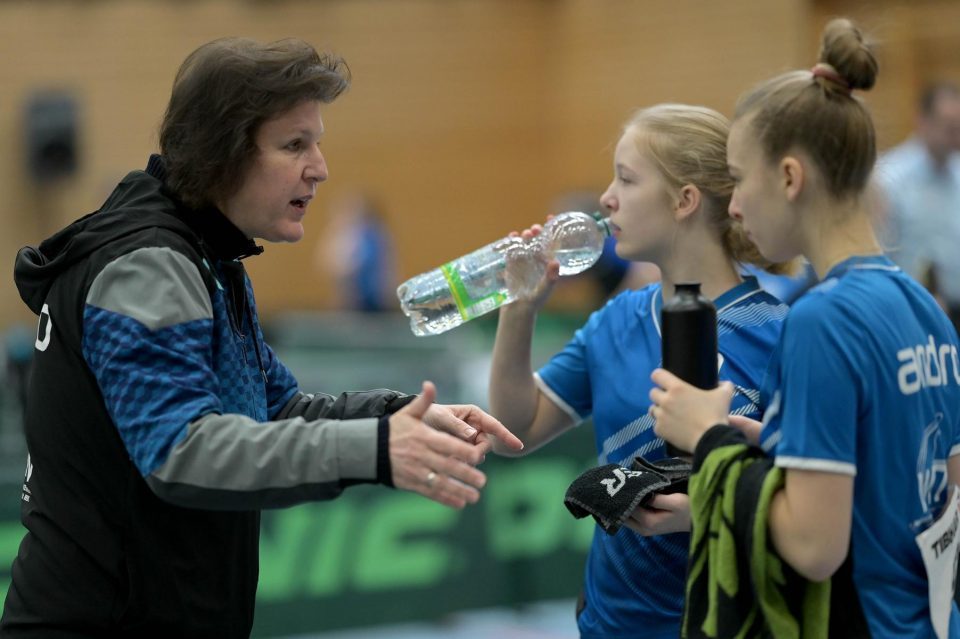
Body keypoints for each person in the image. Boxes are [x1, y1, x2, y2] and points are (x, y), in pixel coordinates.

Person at [2, 37, 522, 638]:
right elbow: (180, 452)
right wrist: (376, 449)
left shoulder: (210, 257)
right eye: (294, 144)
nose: (320, 167)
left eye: (316, 143)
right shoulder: (147, 266)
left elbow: (276, 409)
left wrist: (399, 418)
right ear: (222, 153)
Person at [650, 19, 960, 637]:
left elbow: (815, 546)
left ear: (790, 178)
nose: (733, 205)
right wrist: (783, 442)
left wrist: (708, 436)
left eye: (739, 178)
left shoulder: (822, 319)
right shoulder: (926, 307)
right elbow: (937, 490)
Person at [487, 103, 789, 638]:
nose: (606, 198)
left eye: (626, 179)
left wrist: (708, 507)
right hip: (612, 622)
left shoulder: (781, 334)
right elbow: (518, 427)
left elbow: (811, 504)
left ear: (684, 201)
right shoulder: (617, 320)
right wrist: (518, 311)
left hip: (729, 621)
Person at [876, 82, 960, 333]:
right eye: (948, 126)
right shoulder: (890, 177)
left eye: (958, 126)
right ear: (922, 121)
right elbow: (879, 256)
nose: (955, 133)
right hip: (911, 313)